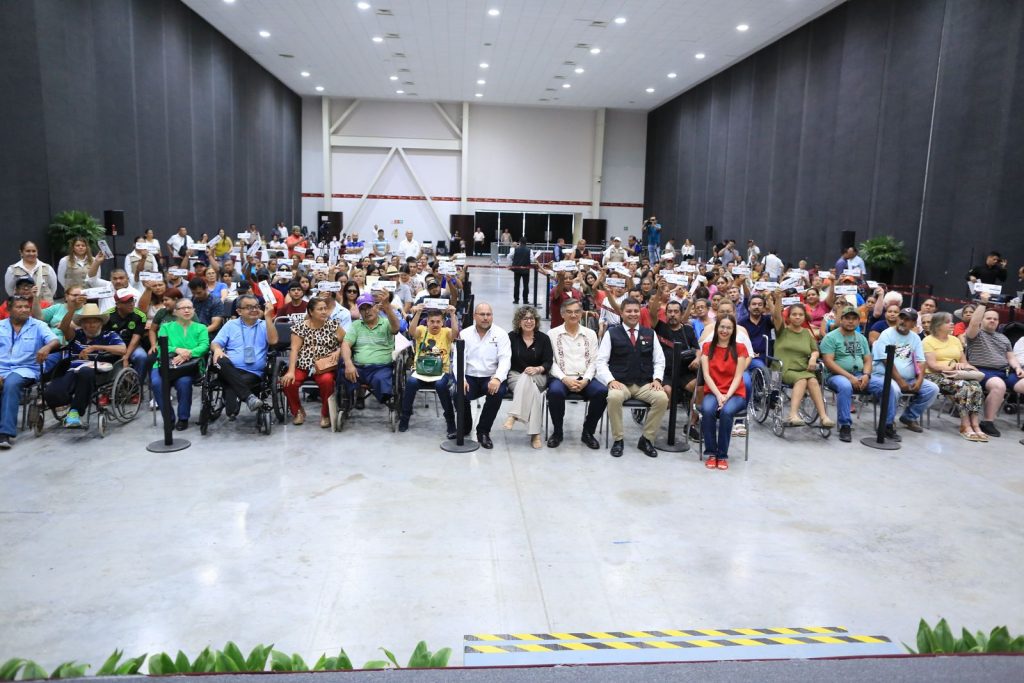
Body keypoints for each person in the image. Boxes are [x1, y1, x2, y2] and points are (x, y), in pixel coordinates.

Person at [596, 299, 669, 458]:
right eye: (628, 311)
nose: (633, 314)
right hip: (620, 383)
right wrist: (610, 380)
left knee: (662, 398)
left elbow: (659, 360)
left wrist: (657, 379)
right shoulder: (611, 333)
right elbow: (601, 362)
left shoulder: (650, 333)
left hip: (644, 383)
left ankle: (646, 439)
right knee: (614, 397)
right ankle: (618, 440)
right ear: (621, 313)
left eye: (636, 311)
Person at [48, 304, 126, 428]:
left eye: (94, 322)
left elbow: (122, 350)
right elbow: (64, 327)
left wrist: (96, 347)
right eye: (87, 322)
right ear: (82, 324)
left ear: (100, 323)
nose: (90, 325)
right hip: (73, 370)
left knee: (85, 372)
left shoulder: (109, 335)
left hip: (96, 372)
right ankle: (66, 403)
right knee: (52, 392)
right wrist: (72, 309)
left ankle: (74, 412)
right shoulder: (77, 334)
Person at [0, 296, 61, 448]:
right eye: (19, 307)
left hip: (25, 369)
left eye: (26, 307)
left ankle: (5, 433)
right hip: (2, 367)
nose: (24, 310)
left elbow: (55, 341)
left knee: (11, 384)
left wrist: (47, 347)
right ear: (9, 310)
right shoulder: (1, 326)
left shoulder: (38, 325)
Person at [869, 308, 939, 438]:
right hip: (884, 376)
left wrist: (919, 381)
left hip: (908, 378)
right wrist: (900, 381)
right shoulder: (886, 334)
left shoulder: (915, 338)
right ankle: (887, 424)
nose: (902, 321)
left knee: (932, 389)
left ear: (914, 324)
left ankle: (908, 417)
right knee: (894, 389)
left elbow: (921, 361)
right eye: (901, 317)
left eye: (907, 319)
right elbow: (886, 360)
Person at [770, 290, 835, 427]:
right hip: (785, 369)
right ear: (788, 317)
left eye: (800, 315)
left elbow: (815, 350)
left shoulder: (806, 333)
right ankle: (793, 414)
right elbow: (776, 316)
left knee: (813, 380)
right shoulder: (782, 330)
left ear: (805, 317)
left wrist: (813, 358)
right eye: (794, 314)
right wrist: (778, 299)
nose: (797, 317)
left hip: (803, 369)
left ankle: (823, 417)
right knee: (802, 380)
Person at [546, 299, 605, 449]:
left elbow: (594, 361)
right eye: (569, 312)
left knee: (602, 392)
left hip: (585, 377)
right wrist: (564, 379)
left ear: (581, 313)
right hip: (562, 377)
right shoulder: (552, 334)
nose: (573, 315)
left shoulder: (590, 334)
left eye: (577, 312)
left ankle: (588, 432)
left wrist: (586, 379)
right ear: (562, 314)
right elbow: (550, 362)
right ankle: (557, 432)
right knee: (555, 392)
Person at [963, 293, 1024, 437]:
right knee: (999, 386)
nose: (992, 320)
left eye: (995, 319)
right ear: (982, 320)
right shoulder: (975, 334)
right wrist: (983, 304)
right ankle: (988, 422)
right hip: (983, 371)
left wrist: (1017, 368)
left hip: (1006, 371)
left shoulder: (1003, 338)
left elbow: (1011, 357)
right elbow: (973, 323)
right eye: (988, 318)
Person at [210, 294, 279, 418]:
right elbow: (215, 343)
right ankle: (249, 397)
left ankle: (236, 400)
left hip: (253, 373)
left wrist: (268, 317)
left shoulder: (264, 325)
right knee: (219, 358)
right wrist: (217, 349)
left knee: (230, 383)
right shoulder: (230, 325)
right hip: (230, 367)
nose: (254, 310)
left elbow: (273, 341)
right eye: (249, 307)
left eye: (256, 306)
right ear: (239, 311)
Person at [280, 297, 345, 428]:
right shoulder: (300, 327)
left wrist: (338, 351)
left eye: (325, 308)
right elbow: (294, 350)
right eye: (320, 309)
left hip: (325, 365)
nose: (324, 312)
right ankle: (297, 411)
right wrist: (291, 371)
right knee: (289, 382)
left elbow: (346, 341)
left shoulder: (333, 325)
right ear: (310, 311)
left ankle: (325, 414)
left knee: (327, 381)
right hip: (303, 365)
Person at [923, 311, 986, 442]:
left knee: (976, 386)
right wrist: (952, 366)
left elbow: (964, 361)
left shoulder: (955, 340)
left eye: (951, 321)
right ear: (937, 325)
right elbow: (932, 365)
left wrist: (965, 366)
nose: (952, 324)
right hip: (934, 375)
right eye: (947, 322)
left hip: (956, 375)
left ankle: (975, 424)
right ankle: (965, 425)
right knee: (963, 387)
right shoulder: (928, 341)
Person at [150, 297, 209, 431]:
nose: (187, 310)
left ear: (194, 310)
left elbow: (204, 346)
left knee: (184, 383)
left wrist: (188, 353)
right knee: (157, 383)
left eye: (190, 308)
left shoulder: (201, 328)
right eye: (183, 308)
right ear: (176, 311)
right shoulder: (165, 327)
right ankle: (169, 418)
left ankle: (183, 418)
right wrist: (177, 350)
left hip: (189, 366)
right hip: (165, 364)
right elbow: (161, 347)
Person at [457, 303, 511, 449]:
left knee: (498, 392)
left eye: (488, 314)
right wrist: (461, 379)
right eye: (482, 314)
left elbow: (505, 359)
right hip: (470, 376)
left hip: (490, 377)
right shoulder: (465, 334)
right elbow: (458, 359)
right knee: (457, 391)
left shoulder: (501, 334)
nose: (485, 318)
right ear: (475, 316)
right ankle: (464, 426)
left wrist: (498, 378)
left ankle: (483, 432)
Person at [400, 303, 459, 437]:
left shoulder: (446, 332)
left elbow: (455, 334)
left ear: (443, 322)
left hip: (441, 372)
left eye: (438, 322)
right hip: (420, 371)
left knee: (441, 386)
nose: (435, 324)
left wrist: (452, 314)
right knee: (411, 383)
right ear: (427, 322)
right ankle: (404, 418)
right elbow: (411, 332)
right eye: (432, 321)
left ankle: (450, 423)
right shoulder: (421, 330)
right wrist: (418, 313)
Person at [699, 314, 749, 470]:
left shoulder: (740, 348)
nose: (725, 330)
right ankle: (711, 453)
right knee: (707, 410)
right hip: (713, 391)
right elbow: (706, 375)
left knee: (726, 412)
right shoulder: (707, 347)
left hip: (735, 393)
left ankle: (722, 455)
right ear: (716, 328)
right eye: (722, 327)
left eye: (729, 328)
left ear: (733, 330)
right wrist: (719, 395)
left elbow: (738, 376)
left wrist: (727, 396)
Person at [503, 306, 552, 449]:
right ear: (519, 322)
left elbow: (548, 362)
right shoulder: (511, 337)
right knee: (533, 391)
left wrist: (538, 369)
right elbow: (505, 359)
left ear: (536, 321)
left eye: (532, 318)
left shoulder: (544, 339)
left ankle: (514, 415)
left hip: (539, 375)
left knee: (529, 378)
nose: (529, 321)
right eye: (525, 318)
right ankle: (535, 434)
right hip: (516, 375)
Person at [821, 306, 872, 442]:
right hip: (835, 376)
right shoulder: (830, 337)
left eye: (854, 319)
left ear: (858, 321)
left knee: (886, 385)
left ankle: (888, 424)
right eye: (847, 318)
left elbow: (868, 360)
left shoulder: (862, 338)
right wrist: (850, 377)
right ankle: (845, 426)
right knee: (845, 386)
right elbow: (828, 362)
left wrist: (866, 375)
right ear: (841, 320)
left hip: (860, 374)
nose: (851, 321)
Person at [341, 292, 400, 408]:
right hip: (358, 368)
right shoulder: (356, 325)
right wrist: (348, 364)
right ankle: (349, 399)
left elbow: (396, 328)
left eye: (369, 307)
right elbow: (346, 344)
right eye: (362, 309)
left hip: (381, 368)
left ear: (376, 307)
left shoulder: (386, 323)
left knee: (381, 380)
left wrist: (387, 306)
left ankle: (383, 397)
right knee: (342, 370)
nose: (367, 311)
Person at [104, 288, 148, 381]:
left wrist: (126, 357)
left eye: (132, 300)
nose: (131, 304)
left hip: (132, 346)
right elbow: (106, 339)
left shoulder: (140, 316)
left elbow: (136, 338)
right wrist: (119, 352)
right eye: (126, 302)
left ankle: (137, 385)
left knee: (142, 356)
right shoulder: (107, 316)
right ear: (118, 304)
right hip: (113, 347)